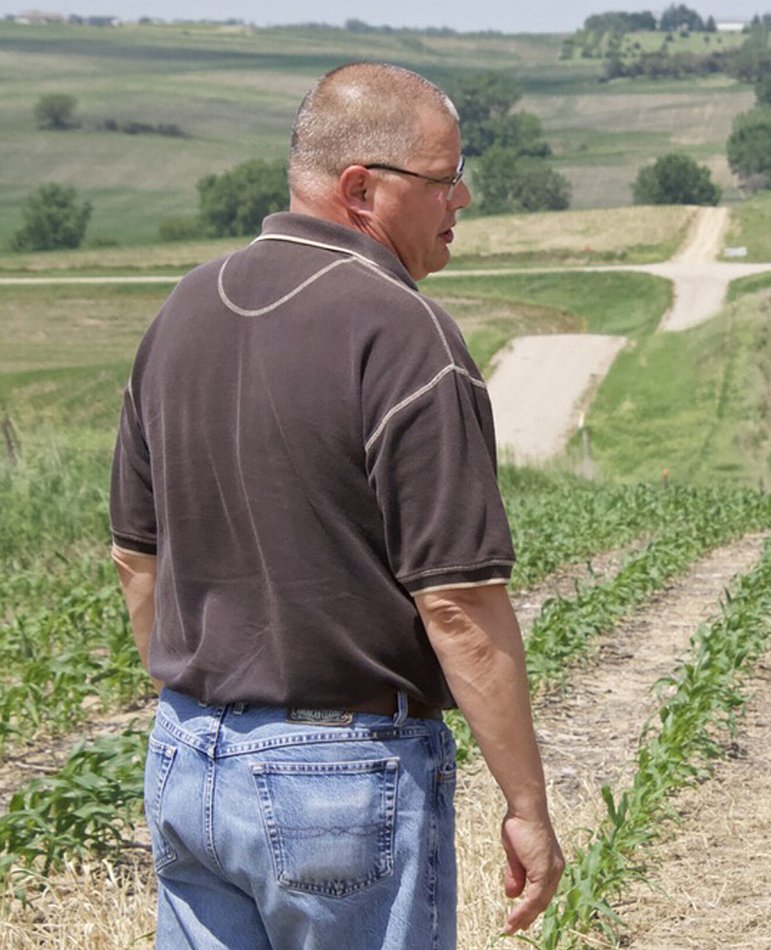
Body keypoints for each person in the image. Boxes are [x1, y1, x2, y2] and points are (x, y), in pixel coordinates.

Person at [109, 62, 563, 948]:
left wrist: (208, 710)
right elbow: (459, 605)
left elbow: (136, 561)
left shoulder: (182, 312)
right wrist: (527, 806)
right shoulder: (404, 333)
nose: (461, 197)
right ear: (362, 188)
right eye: (443, 178)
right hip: (338, 774)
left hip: (186, 758)